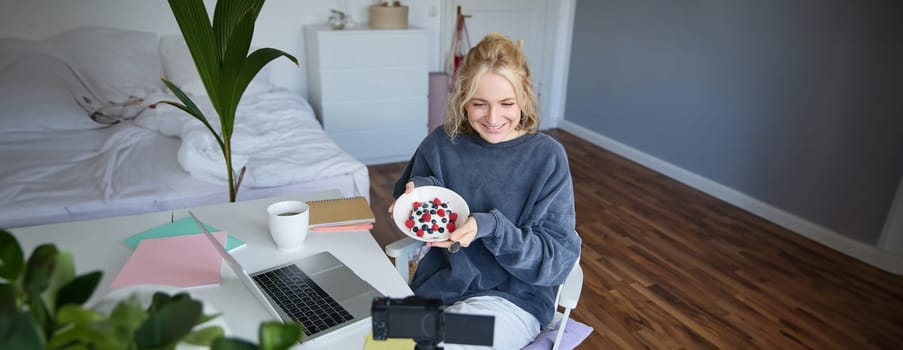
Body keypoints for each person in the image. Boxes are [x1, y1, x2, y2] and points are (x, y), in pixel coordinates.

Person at [389, 32, 581, 349]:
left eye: (507, 103)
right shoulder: (441, 142)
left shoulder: (546, 157)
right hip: (437, 290)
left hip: (511, 300)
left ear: (525, 99)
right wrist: (423, 190)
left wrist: (489, 227)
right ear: (463, 98)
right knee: (362, 334)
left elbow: (555, 261)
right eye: (479, 104)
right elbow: (410, 200)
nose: (493, 118)